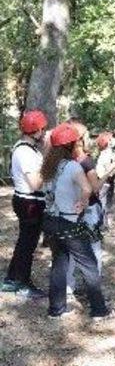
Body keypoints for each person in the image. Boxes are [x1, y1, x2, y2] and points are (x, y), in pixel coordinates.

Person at [42, 122, 110, 319]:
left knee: (59, 264)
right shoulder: (72, 166)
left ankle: (56, 310)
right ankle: (99, 310)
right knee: (89, 265)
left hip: (51, 221)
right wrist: (82, 202)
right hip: (69, 223)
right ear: (72, 145)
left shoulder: (49, 166)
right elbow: (88, 188)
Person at [2, 110, 48, 298]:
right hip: (29, 202)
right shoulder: (24, 152)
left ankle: (13, 278)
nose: (44, 132)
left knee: (25, 242)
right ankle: (22, 283)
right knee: (27, 245)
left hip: (30, 201)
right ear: (36, 130)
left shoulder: (30, 149)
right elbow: (36, 183)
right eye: (42, 129)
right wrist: (50, 168)